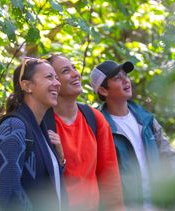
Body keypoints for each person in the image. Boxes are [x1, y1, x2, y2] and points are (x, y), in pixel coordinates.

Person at [90, 60, 175, 210]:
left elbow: (170, 155)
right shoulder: (97, 126)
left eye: (125, 75)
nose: (126, 80)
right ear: (103, 90)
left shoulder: (147, 120)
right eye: (117, 78)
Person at [46, 54, 124, 211]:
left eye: (74, 67)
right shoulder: (41, 121)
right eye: (66, 71)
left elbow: (110, 177)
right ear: (53, 81)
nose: (76, 74)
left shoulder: (94, 118)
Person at [0, 57, 66, 211]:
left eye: (57, 78)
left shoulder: (42, 129)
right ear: (27, 86)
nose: (57, 83)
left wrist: (60, 159)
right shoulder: (14, 126)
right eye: (49, 77)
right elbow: (8, 193)